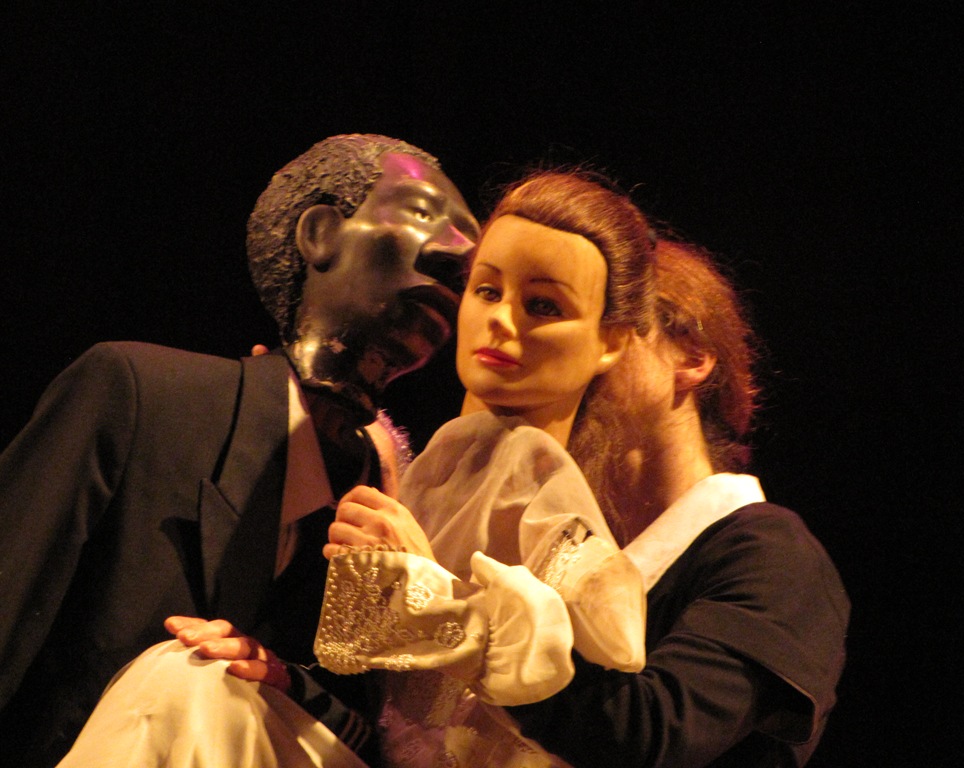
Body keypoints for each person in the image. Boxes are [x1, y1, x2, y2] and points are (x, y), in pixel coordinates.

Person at [0, 133, 480, 768]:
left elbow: (364, 727)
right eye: (422, 213)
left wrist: (282, 679)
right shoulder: (139, 393)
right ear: (321, 235)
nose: (460, 254)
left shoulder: (371, 488)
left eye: (471, 243)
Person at [327, 236, 851, 766]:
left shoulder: (773, 556)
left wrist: (445, 609)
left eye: (559, 312)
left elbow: (653, 736)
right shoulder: (538, 527)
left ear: (691, 355)